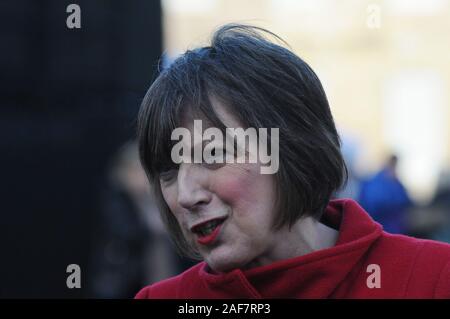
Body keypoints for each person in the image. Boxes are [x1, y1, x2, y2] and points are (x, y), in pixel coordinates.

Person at [135, 24, 450, 298]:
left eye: (214, 154)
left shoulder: (435, 278)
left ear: (294, 147)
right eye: (169, 171)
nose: (187, 195)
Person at [358, 155, 412, 234]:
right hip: (380, 228)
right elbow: (374, 204)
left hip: (394, 229)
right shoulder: (376, 182)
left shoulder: (396, 182)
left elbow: (406, 201)